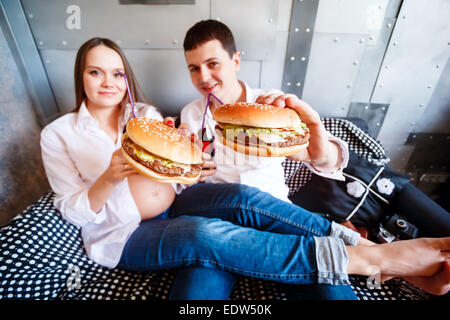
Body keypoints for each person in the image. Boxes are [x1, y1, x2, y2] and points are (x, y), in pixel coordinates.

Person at [40, 38, 450, 302]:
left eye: (117, 73)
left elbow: (324, 159)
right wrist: (112, 175)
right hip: (127, 234)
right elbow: (71, 210)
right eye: (96, 72)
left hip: (201, 205)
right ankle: (366, 260)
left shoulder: (150, 114)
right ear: (81, 77)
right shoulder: (58, 134)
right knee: (206, 239)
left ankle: (356, 247)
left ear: (235, 60)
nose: (108, 82)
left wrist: (186, 168)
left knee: (240, 200)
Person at [174, 19, 450, 299]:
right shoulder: (190, 115)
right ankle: (379, 256)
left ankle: (382, 259)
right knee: (195, 297)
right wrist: (190, 171)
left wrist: (318, 143)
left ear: (235, 61)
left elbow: (326, 157)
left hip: (277, 214)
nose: (204, 77)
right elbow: (186, 181)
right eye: (194, 69)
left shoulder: (272, 104)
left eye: (213, 64)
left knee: (330, 291)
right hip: (220, 219)